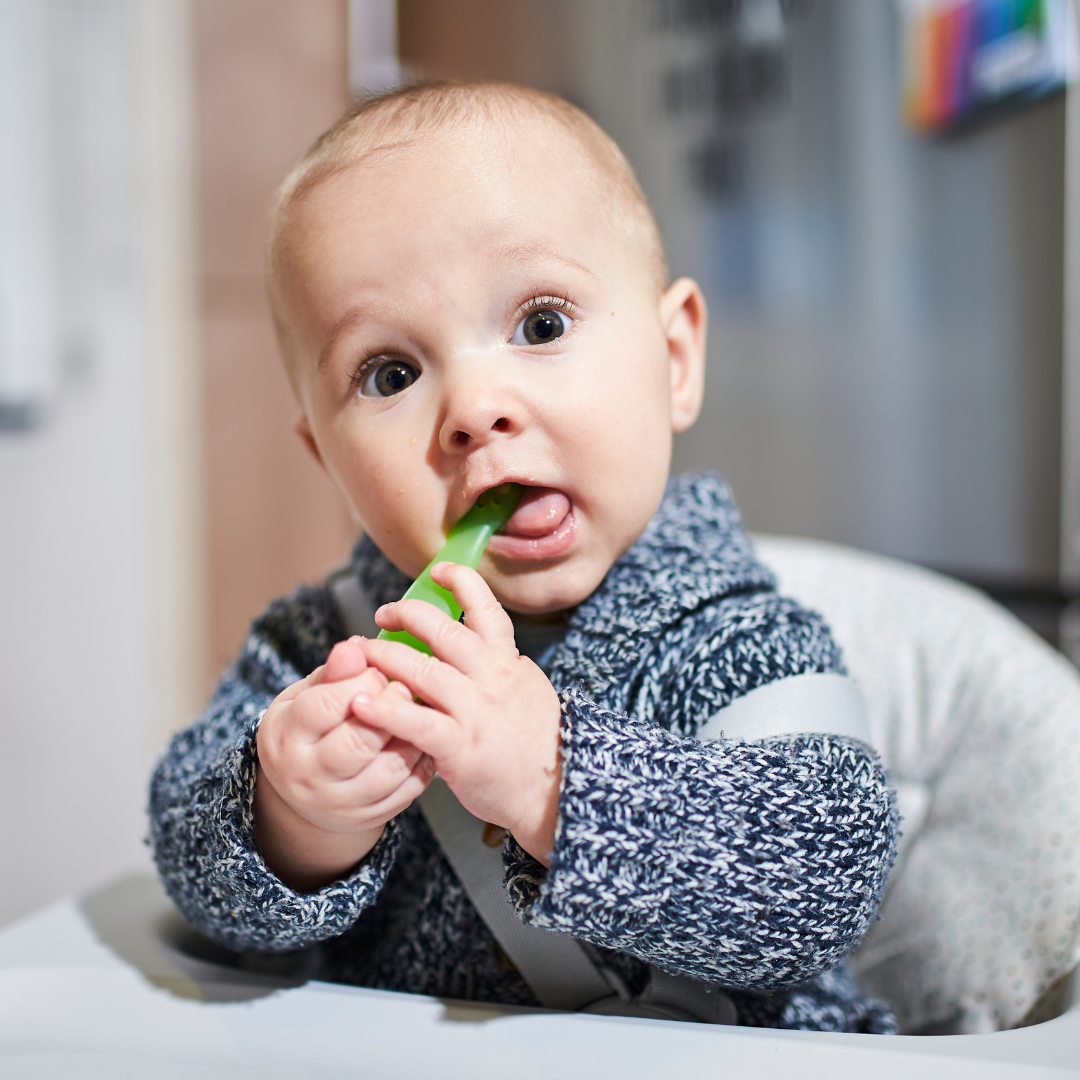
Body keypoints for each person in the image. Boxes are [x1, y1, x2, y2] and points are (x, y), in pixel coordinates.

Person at [150, 81, 898, 1032]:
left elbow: (823, 880)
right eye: (390, 374)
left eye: (541, 326)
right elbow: (184, 850)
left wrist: (556, 779)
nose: (473, 408)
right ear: (327, 460)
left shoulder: (735, 635)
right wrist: (288, 820)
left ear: (674, 360)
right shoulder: (324, 647)